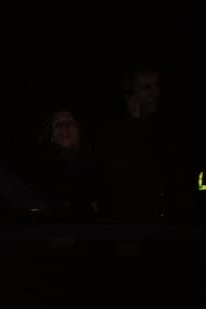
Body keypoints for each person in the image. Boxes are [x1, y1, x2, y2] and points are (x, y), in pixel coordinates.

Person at [92, 63, 193, 223]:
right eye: (147, 88)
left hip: (166, 223)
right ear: (131, 94)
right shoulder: (112, 132)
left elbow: (176, 176)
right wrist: (135, 124)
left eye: (156, 86)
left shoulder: (166, 129)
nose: (155, 93)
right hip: (130, 225)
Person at [25, 105, 100, 219]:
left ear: (80, 129)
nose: (64, 127)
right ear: (52, 136)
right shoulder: (42, 169)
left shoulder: (98, 163)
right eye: (58, 124)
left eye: (69, 123)